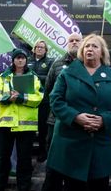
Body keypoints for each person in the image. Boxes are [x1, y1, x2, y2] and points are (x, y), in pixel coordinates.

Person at [46, 34, 111, 191]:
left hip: (100, 143)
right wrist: (75, 117)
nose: (89, 49)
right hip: (71, 142)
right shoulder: (67, 73)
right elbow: (55, 100)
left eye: (94, 46)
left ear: (102, 52)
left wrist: (104, 120)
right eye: (87, 46)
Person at [0, 49, 44, 191]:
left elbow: (39, 97)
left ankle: (24, 188)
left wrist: (20, 98)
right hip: (5, 124)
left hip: (26, 127)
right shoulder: (4, 76)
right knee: (1, 160)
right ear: (13, 60)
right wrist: (7, 99)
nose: (20, 60)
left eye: (23, 58)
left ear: (26, 60)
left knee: (24, 161)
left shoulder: (33, 77)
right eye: (17, 58)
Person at [41, 33, 82, 191]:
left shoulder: (89, 64)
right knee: (53, 163)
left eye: (77, 41)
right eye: (71, 41)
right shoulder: (57, 64)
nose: (74, 43)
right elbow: (49, 91)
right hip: (56, 121)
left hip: (79, 122)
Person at [27, 40, 54, 162]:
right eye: (37, 47)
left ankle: (42, 152)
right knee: (29, 128)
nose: (39, 49)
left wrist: (35, 77)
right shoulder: (27, 61)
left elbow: (50, 77)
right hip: (28, 100)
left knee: (43, 129)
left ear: (46, 50)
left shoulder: (50, 62)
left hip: (43, 100)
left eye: (42, 47)